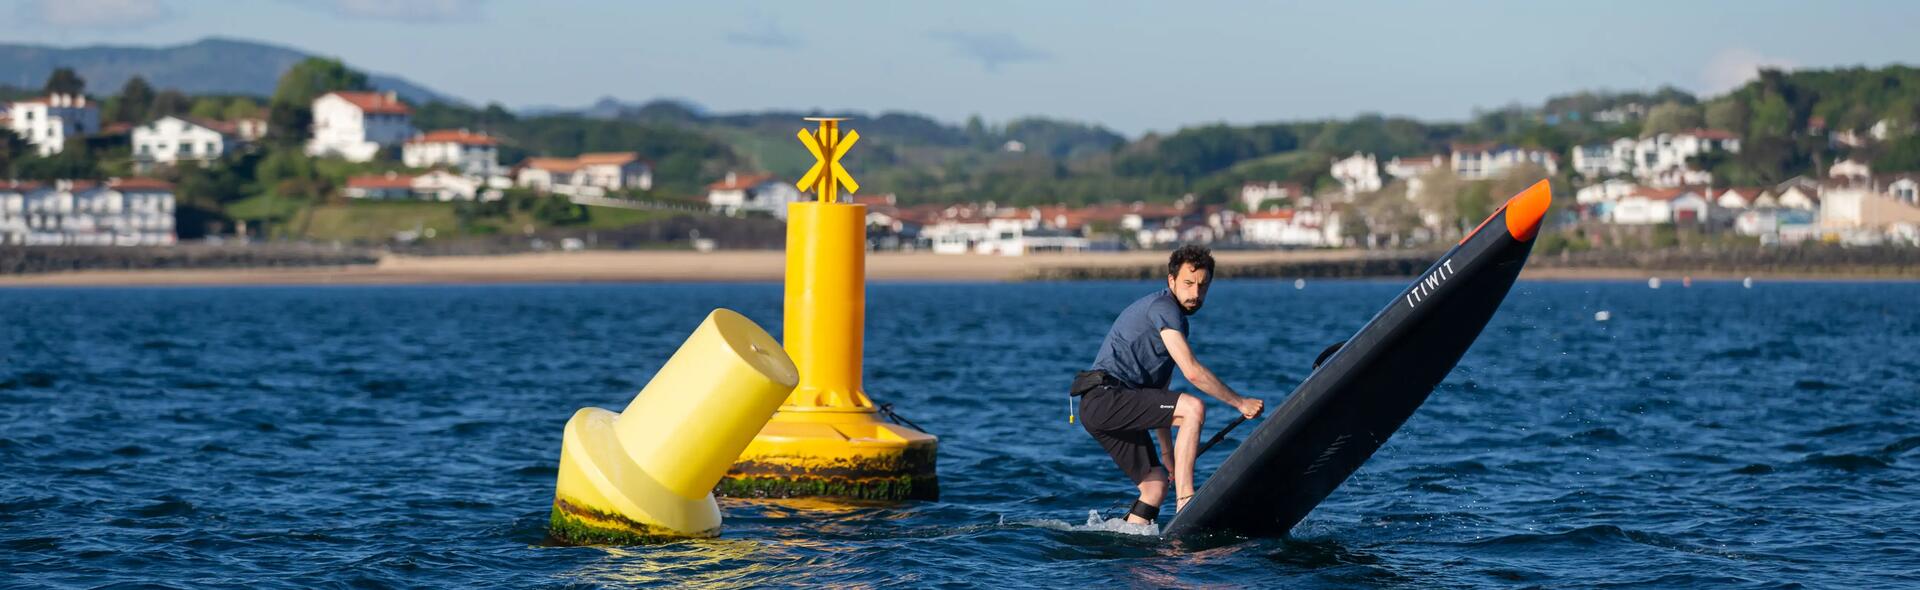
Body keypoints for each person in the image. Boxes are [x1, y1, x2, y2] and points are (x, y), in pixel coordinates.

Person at [1070, 244, 1264, 525]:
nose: (1195, 294)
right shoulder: (1164, 308)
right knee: (1193, 407)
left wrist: (1168, 455)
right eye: (1188, 283)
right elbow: (1192, 372)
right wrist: (1239, 402)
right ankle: (1186, 502)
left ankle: (1133, 545)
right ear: (1171, 280)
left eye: (1202, 286)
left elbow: (1160, 396)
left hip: (1100, 407)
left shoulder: (1175, 320)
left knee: (1155, 484)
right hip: (1106, 397)